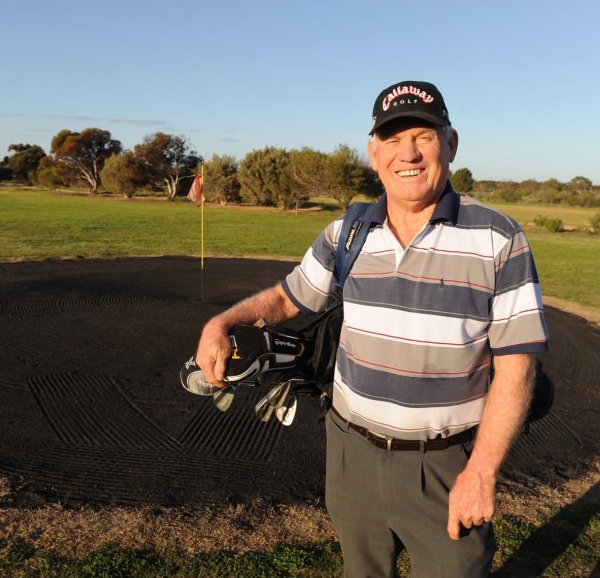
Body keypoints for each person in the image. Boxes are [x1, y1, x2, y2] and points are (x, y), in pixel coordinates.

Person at [194, 80, 548, 577]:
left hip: (444, 464)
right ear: (373, 152)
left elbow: (517, 367)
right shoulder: (349, 232)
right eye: (392, 138)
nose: (408, 153)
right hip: (350, 454)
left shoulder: (498, 237)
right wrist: (222, 322)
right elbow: (286, 298)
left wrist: (481, 472)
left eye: (423, 136)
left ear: (450, 144)